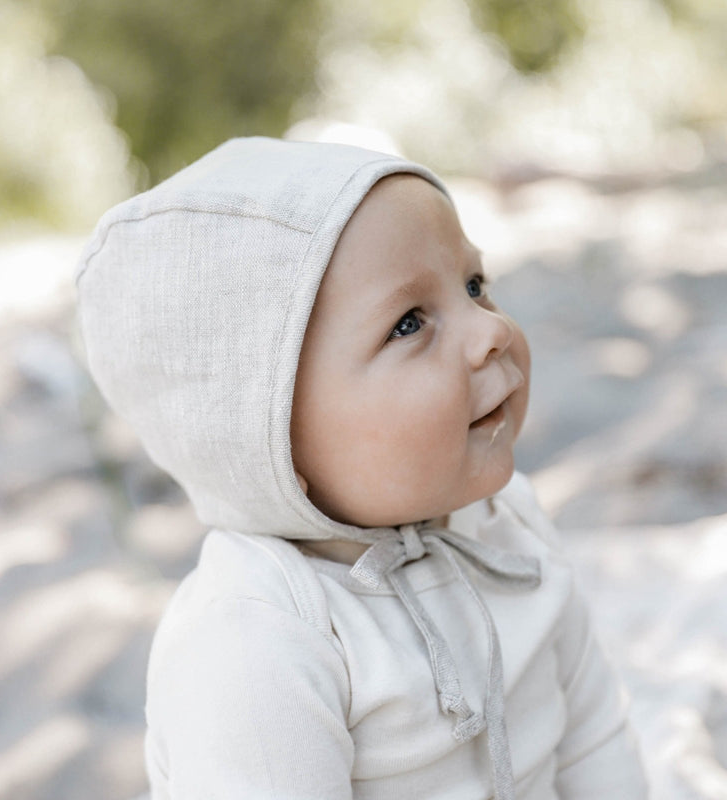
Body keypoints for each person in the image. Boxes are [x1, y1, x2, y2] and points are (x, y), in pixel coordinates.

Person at [76, 137, 647, 799]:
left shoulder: (507, 523)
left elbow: (594, 736)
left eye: (473, 285)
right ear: (268, 436)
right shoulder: (255, 639)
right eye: (409, 323)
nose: (489, 330)